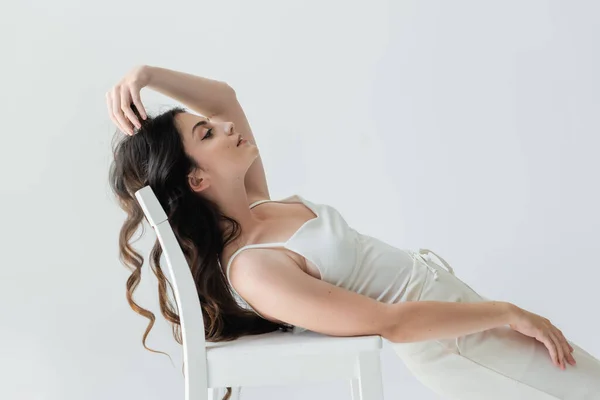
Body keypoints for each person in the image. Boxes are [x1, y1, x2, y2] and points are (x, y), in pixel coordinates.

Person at [107, 65, 600, 400]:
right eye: (206, 134)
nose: (223, 125)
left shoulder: (256, 204)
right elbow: (392, 323)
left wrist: (146, 75)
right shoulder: (255, 267)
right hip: (456, 343)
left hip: (463, 315)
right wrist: (509, 311)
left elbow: (225, 97)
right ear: (197, 180)